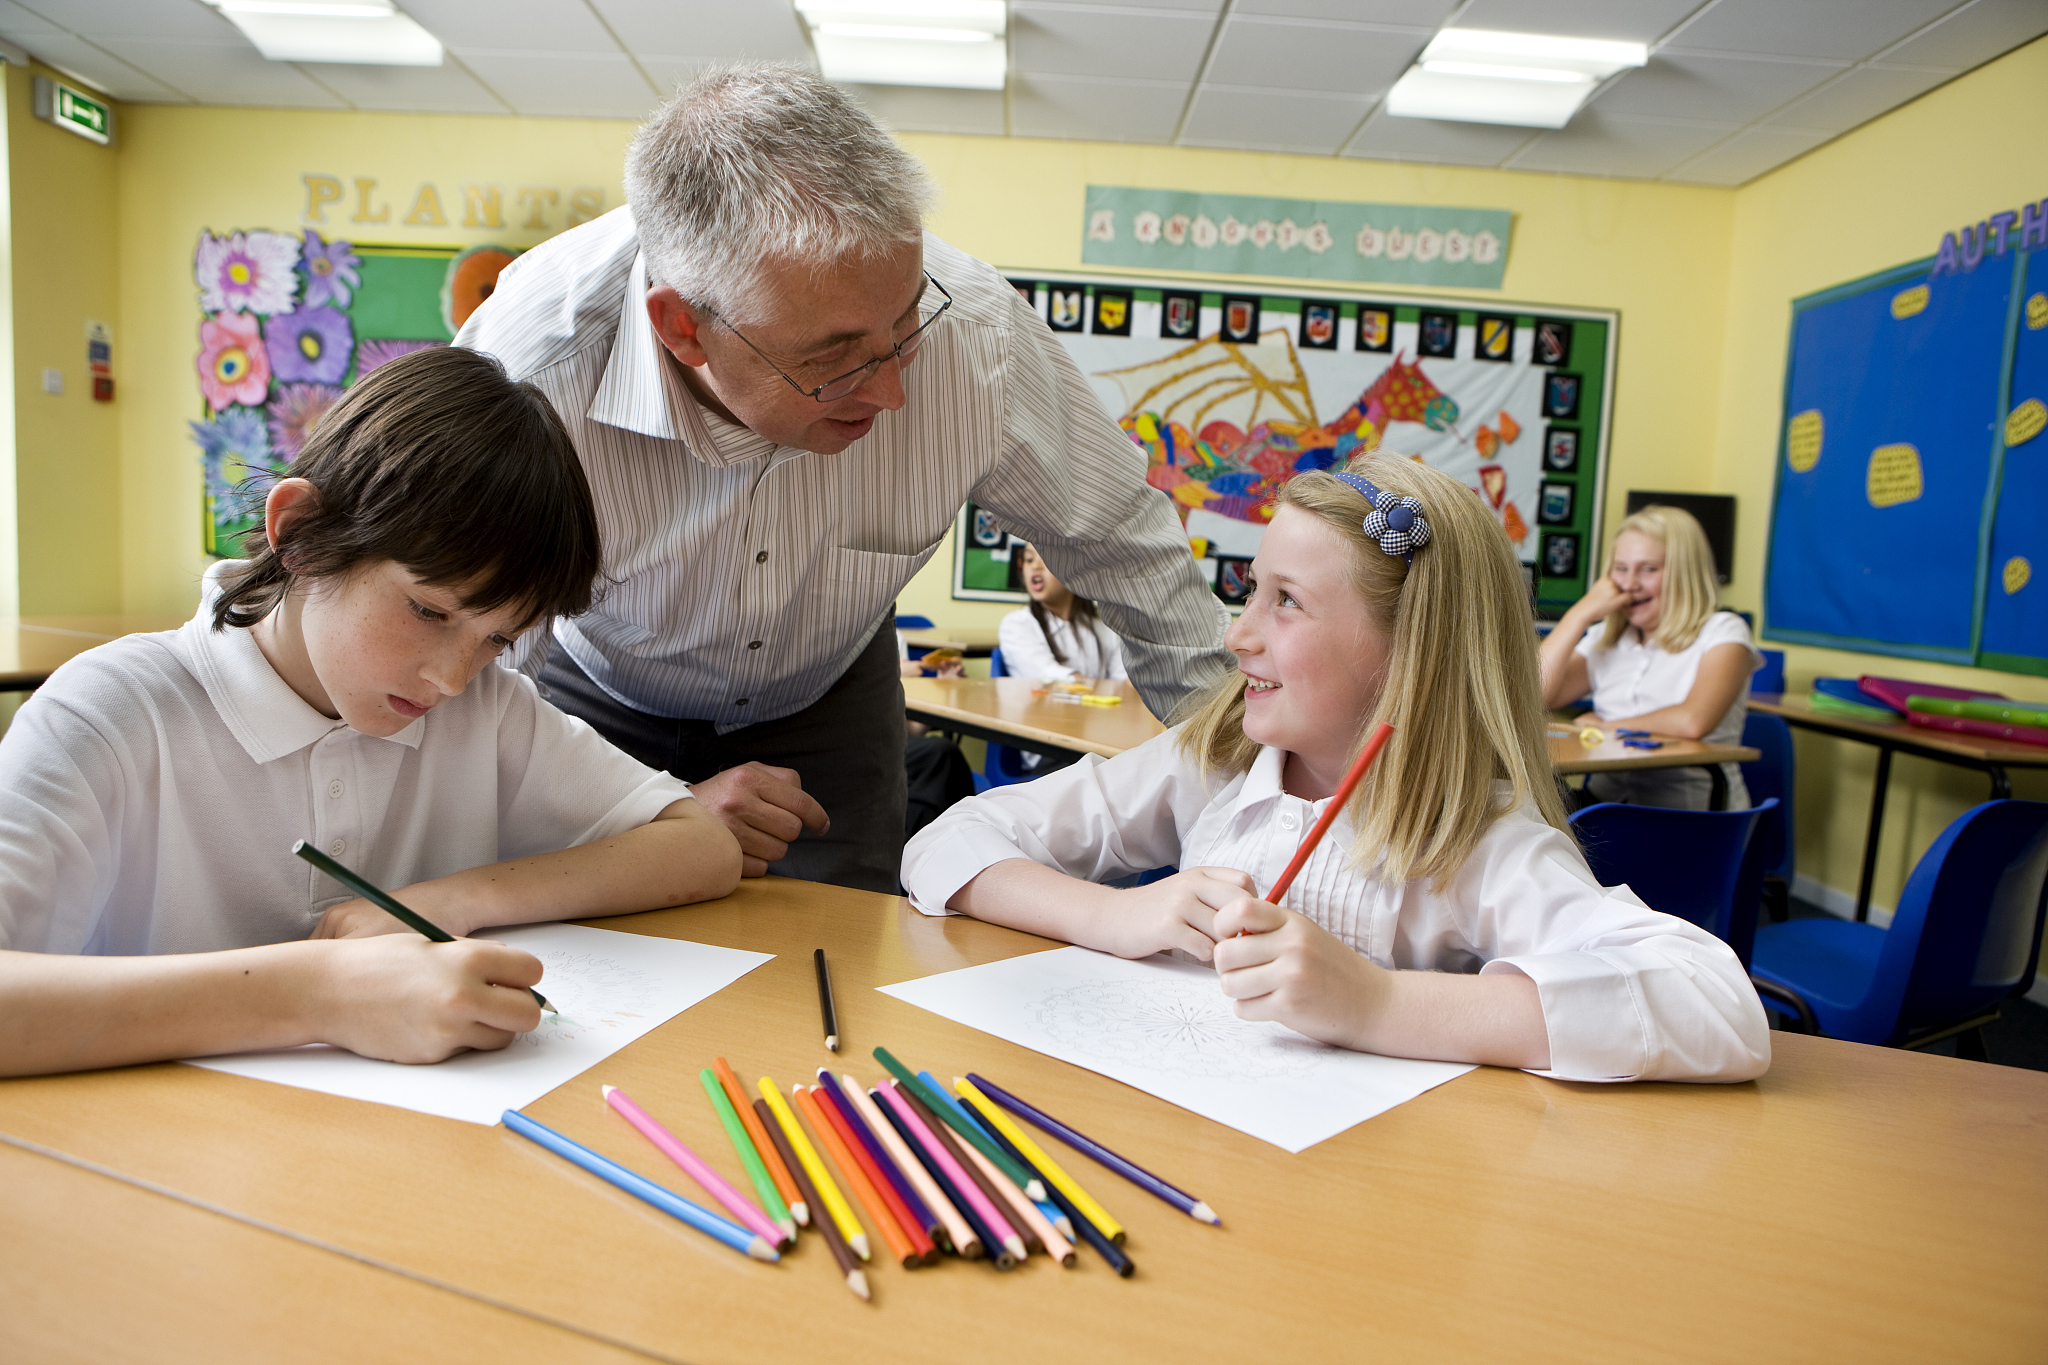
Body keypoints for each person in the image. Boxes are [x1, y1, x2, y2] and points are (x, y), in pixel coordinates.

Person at [456, 63, 1229, 894]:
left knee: (848, 964)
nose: (894, 392)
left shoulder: (978, 335)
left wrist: (1252, 789)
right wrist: (645, 812)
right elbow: (461, 673)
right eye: (832, 359)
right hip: (587, 699)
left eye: (905, 327)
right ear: (684, 327)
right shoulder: (534, 368)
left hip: (828, 695)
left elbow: (1130, 550)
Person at [902, 457, 1769, 1083]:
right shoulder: (1219, 759)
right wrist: (1118, 910)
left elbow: (1719, 1005)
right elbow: (944, 842)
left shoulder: (1476, 837)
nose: (1238, 636)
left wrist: (1377, 1004)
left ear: (1408, 653)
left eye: (1286, 601)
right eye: (1250, 592)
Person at [0, 348, 742, 1078]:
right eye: (428, 610)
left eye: (496, 639)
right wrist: (321, 992)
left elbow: (701, 845)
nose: (452, 677)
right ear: (300, 535)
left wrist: (451, 900)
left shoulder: (481, 712)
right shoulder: (108, 714)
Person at [1538, 505, 1761, 810]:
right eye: (1621, 568)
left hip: (1691, 815)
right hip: (1608, 806)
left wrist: (1605, 727)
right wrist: (1580, 614)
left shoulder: (1724, 632)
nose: (1630, 584)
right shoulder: (1607, 637)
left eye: (1649, 569)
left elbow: (1692, 721)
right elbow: (1533, 694)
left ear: (1684, 573)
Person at [998, 544, 1127, 688]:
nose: (1035, 566)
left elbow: (1125, 682)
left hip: (1096, 710)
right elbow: (1048, 675)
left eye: (1048, 558)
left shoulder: (1106, 627)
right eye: (1029, 559)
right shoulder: (1017, 624)